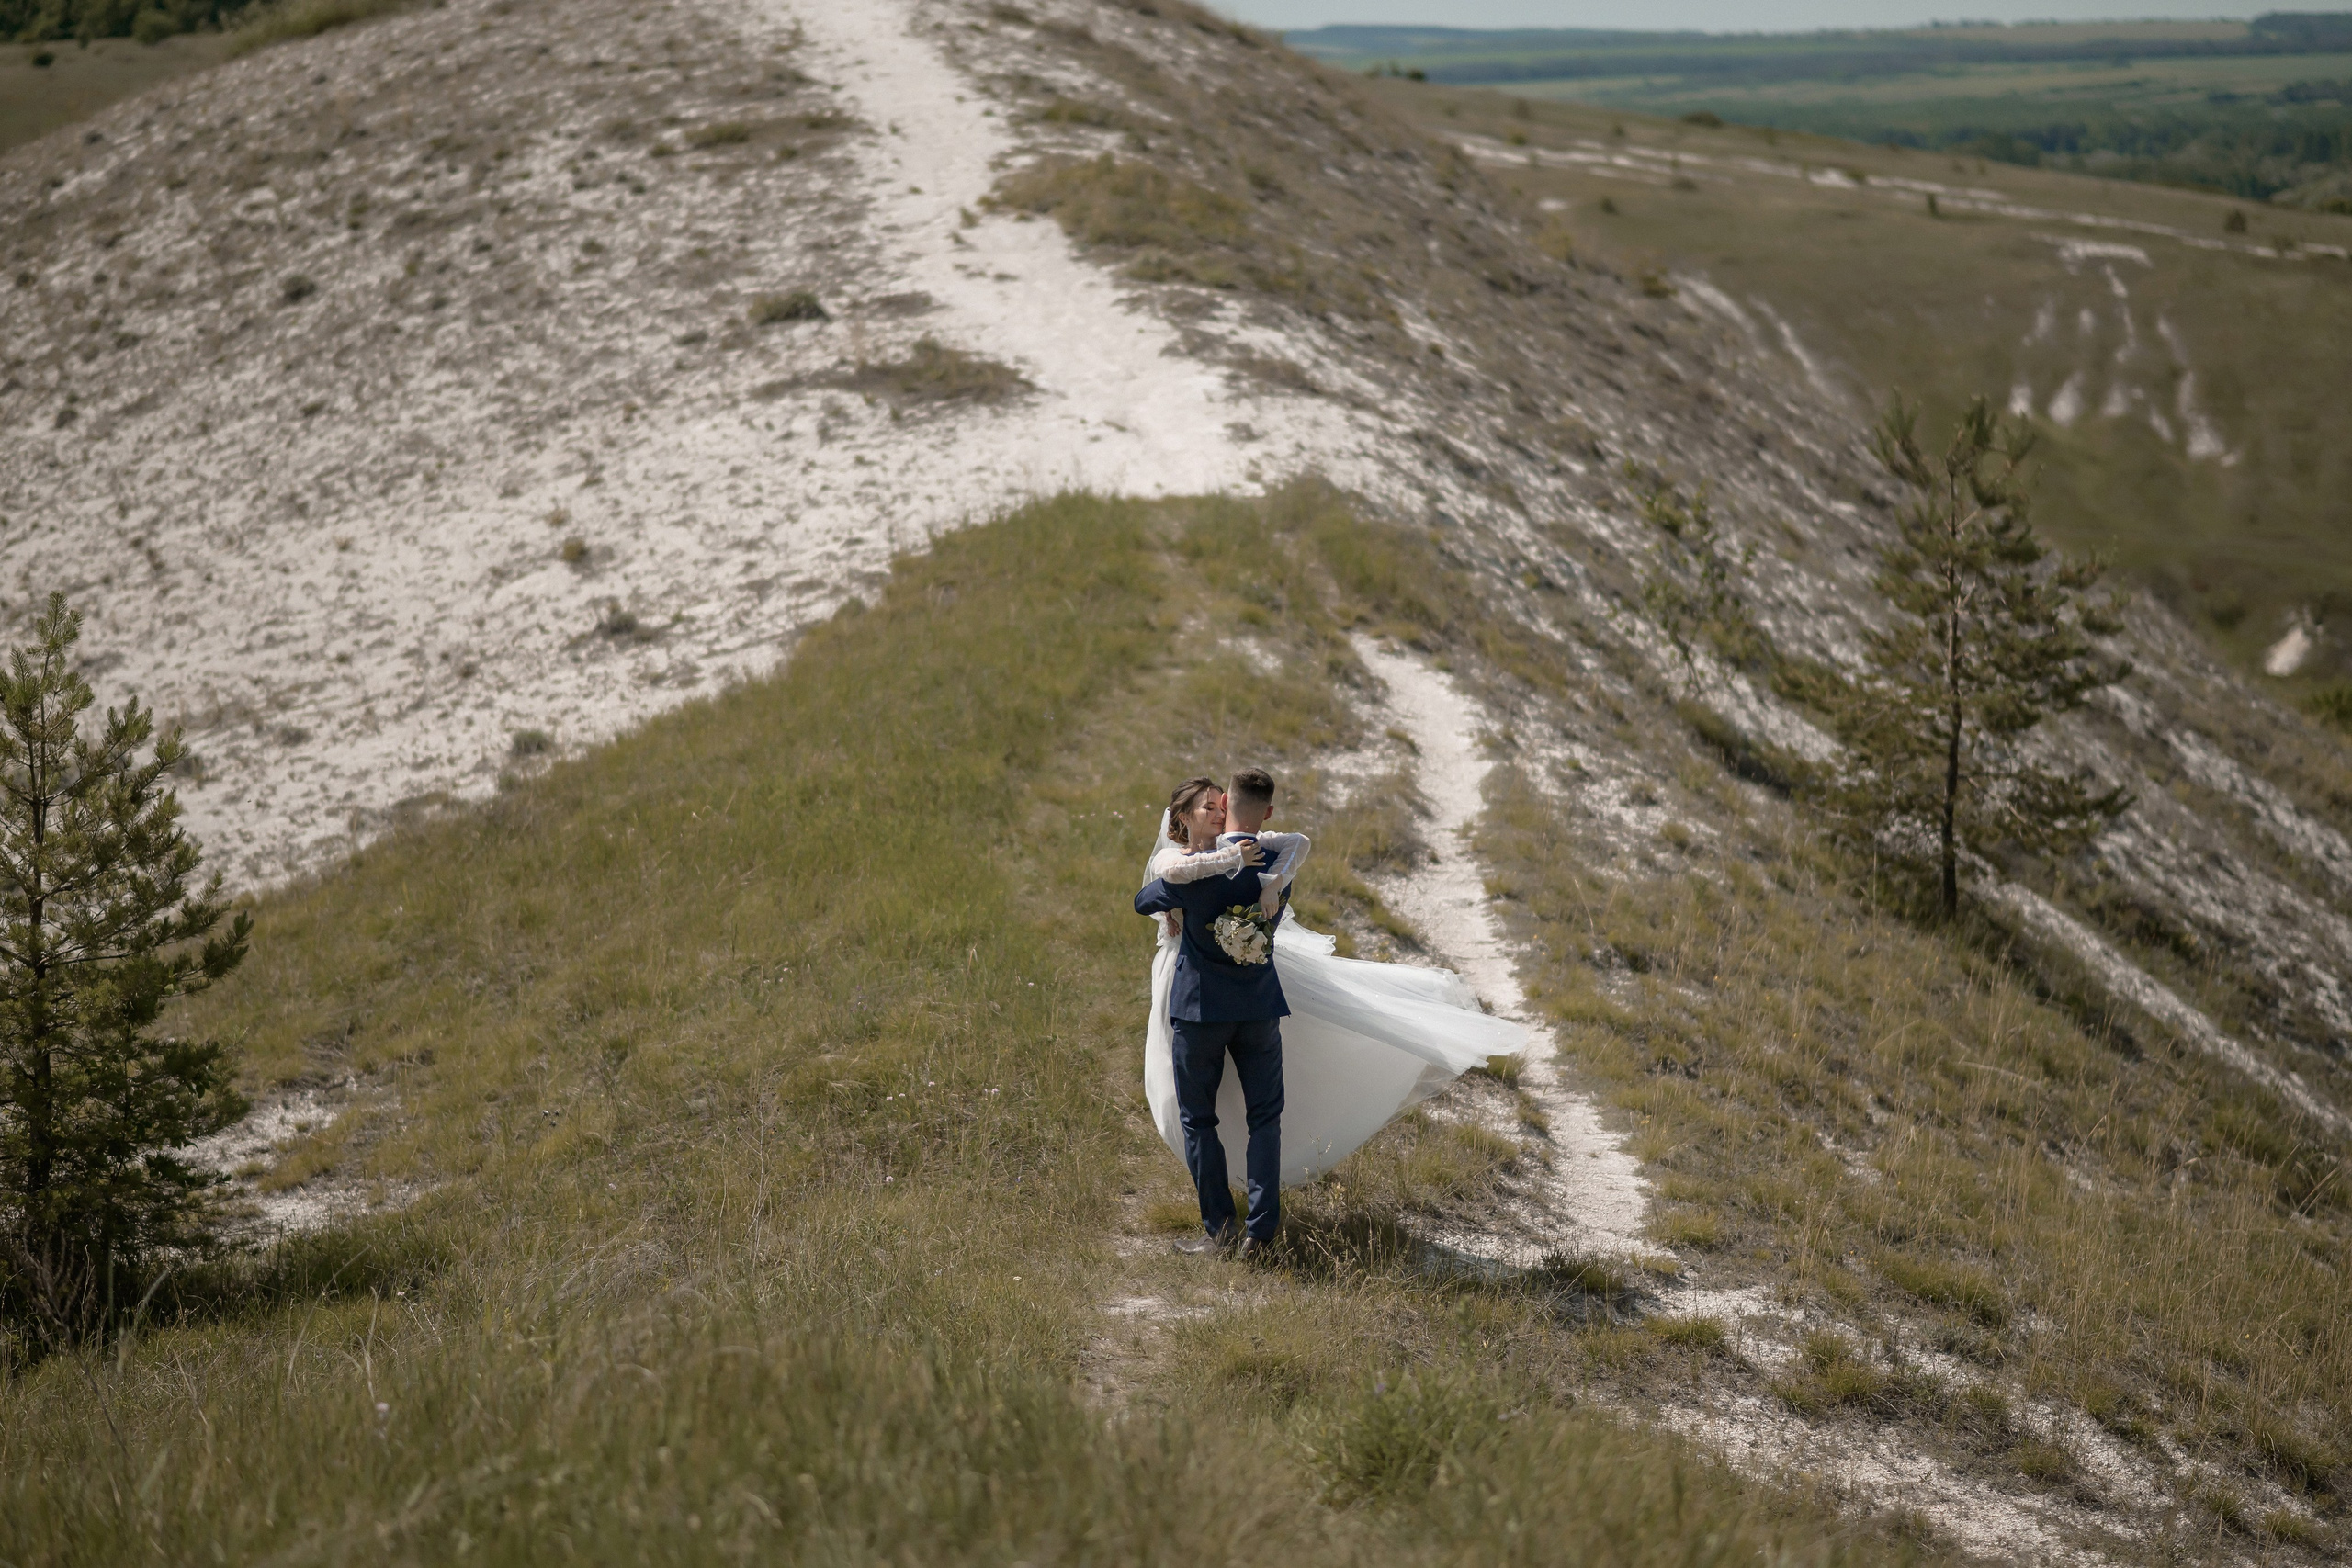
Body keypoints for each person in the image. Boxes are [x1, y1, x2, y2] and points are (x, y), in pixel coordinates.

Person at [1136, 769, 1529, 1259]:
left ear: (1227, 806)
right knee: (1265, 1119)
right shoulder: (1277, 867)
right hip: (1260, 1008)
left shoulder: (1195, 871)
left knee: (1199, 1119)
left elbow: (1145, 898)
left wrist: (1180, 893)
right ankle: (1261, 1232)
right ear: (1267, 813)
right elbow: (1290, 860)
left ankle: (1220, 1230)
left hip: (1200, 1011)